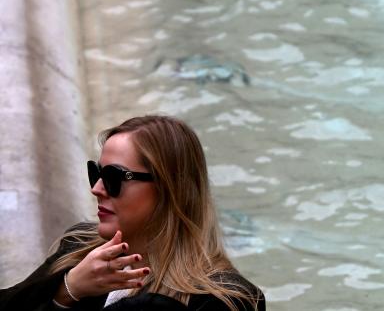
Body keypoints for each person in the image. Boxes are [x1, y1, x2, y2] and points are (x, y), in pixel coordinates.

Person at [0, 115, 266, 310]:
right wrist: (68, 290)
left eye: (113, 177)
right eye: (96, 173)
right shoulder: (78, 247)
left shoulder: (225, 300)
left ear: (167, 188)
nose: (97, 188)